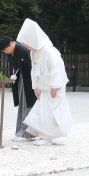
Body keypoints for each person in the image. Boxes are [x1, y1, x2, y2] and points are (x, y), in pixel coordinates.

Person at [16, 18, 74, 146]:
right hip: (43, 87)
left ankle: (48, 137)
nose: (25, 46)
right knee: (41, 112)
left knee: (51, 113)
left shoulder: (49, 51)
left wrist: (55, 86)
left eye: (26, 42)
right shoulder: (33, 52)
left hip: (53, 88)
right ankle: (43, 135)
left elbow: (57, 68)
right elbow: (34, 71)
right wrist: (35, 87)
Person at [0, 36, 37, 142]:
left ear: (11, 43)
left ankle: (27, 134)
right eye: (4, 51)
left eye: (6, 49)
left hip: (28, 80)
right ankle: (20, 132)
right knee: (22, 106)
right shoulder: (12, 52)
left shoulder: (22, 50)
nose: (6, 52)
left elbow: (29, 69)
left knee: (27, 105)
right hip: (20, 79)